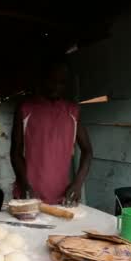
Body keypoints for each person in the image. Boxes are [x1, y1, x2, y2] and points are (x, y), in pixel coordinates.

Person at [10, 60, 93, 207]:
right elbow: (15, 152)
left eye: (62, 82)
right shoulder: (25, 109)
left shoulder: (72, 112)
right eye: (52, 80)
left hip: (62, 197)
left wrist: (78, 183)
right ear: (42, 79)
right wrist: (25, 185)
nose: (56, 86)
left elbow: (87, 151)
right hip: (28, 196)